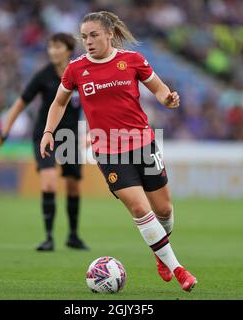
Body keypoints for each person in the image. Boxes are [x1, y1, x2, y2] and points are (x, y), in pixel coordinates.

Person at [40, 12, 197, 292]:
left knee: (164, 209)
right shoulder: (76, 69)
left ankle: (161, 255)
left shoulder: (133, 60)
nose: (87, 42)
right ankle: (178, 268)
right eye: (84, 36)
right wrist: (49, 132)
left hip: (143, 143)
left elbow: (159, 90)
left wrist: (168, 99)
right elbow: (58, 103)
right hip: (108, 151)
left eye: (94, 35)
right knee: (139, 208)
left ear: (109, 34)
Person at [0, 33, 89, 252]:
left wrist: (92, 132)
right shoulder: (43, 76)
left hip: (70, 137)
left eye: (57, 47)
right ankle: (48, 237)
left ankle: (73, 235)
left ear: (68, 50)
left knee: (73, 185)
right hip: (45, 135)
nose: (52, 51)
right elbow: (19, 104)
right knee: (49, 183)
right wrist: (3, 133)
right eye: (50, 47)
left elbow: (94, 103)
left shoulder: (80, 74)